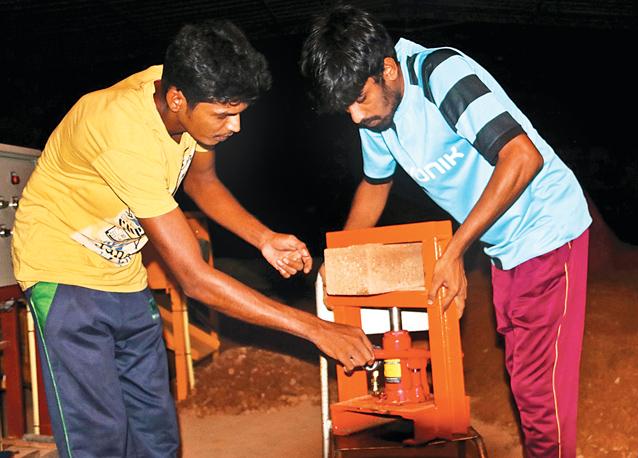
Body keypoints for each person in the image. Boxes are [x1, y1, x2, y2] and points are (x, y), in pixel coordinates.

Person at [12, 20, 373, 458]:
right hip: (61, 269)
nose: (235, 126)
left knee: (156, 429)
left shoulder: (185, 102)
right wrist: (314, 328)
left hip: (120, 270)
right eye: (224, 114)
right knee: (100, 434)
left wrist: (263, 238)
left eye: (239, 112)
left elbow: (202, 183)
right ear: (178, 99)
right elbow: (195, 279)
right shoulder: (121, 130)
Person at [301, 6, 591, 457]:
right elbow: (375, 186)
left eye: (358, 100)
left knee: (541, 390)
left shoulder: (442, 75)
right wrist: (337, 258)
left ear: (388, 70)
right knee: (522, 372)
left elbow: (521, 157)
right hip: (503, 244)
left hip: (547, 228)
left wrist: (454, 251)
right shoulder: (379, 115)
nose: (355, 117)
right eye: (346, 109)